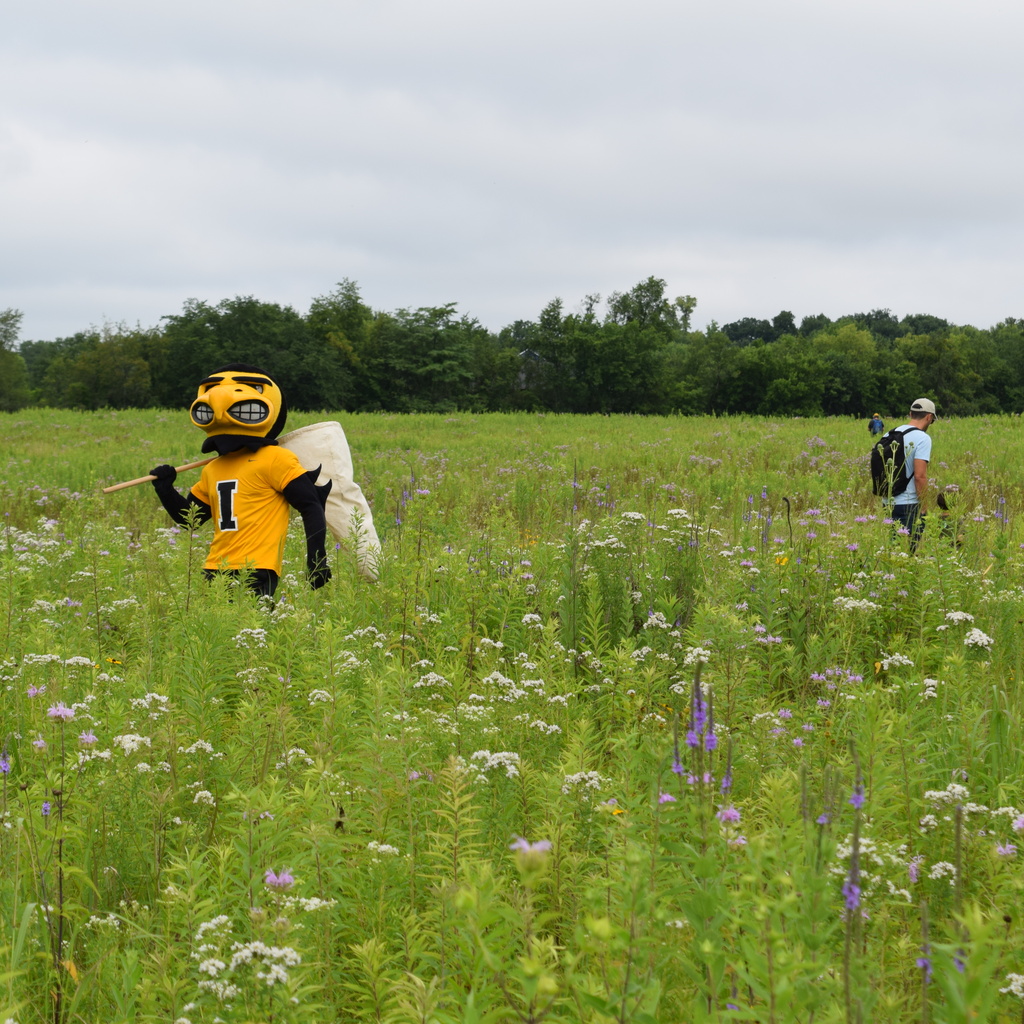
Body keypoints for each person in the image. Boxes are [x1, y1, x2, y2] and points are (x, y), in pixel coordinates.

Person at [149, 363, 331, 598]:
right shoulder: (213, 468)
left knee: (253, 628)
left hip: (257, 568)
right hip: (215, 567)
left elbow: (310, 506)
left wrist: (317, 560)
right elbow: (190, 520)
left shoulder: (276, 459)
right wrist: (165, 489)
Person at [886, 398, 937, 553]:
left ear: (910, 414)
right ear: (929, 417)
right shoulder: (922, 438)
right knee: (907, 554)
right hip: (909, 505)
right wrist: (925, 507)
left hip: (888, 502)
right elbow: (920, 476)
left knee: (892, 551)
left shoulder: (891, 433)